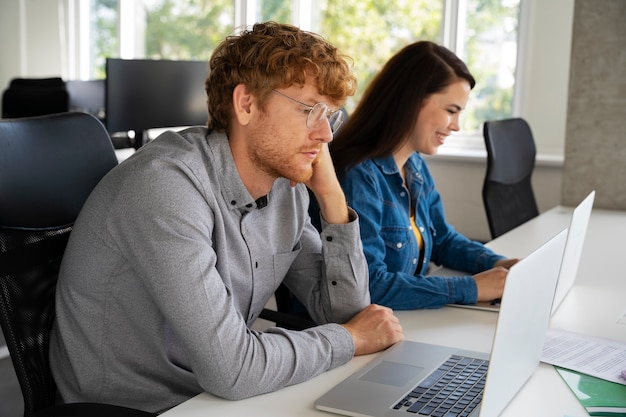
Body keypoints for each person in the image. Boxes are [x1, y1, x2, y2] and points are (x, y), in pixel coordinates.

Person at [49, 22, 403, 414]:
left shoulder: (285, 188)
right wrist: (349, 340)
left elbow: (347, 314)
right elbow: (234, 370)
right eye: (311, 110)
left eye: (331, 117)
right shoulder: (165, 187)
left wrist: (332, 198)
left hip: (212, 392)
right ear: (246, 104)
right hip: (140, 405)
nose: (326, 135)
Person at [330, 41, 518, 311]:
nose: (456, 126)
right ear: (411, 102)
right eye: (451, 111)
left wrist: (497, 264)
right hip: (362, 338)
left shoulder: (413, 165)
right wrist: (471, 288)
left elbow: (442, 238)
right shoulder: (359, 176)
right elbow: (371, 286)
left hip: (407, 321)